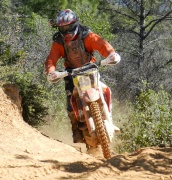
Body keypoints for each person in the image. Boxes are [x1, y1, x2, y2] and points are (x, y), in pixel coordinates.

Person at [45, 9, 121, 143]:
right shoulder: (58, 42)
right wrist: (51, 71)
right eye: (62, 28)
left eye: (68, 26)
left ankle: (109, 118)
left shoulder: (86, 35)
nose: (66, 30)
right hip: (71, 73)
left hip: (90, 69)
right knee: (70, 101)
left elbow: (103, 45)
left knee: (106, 90)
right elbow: (51, 59)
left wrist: (111, 54)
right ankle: (76, 130)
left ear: (74, 24)